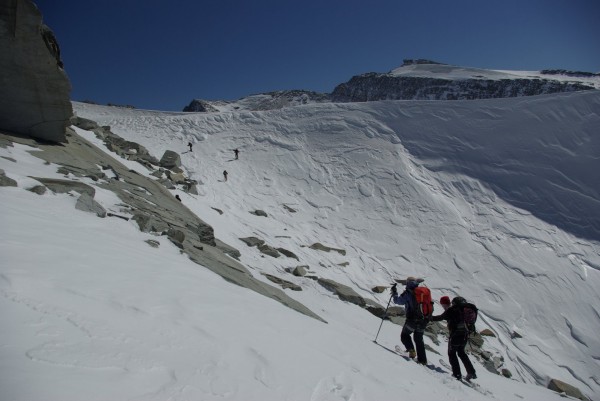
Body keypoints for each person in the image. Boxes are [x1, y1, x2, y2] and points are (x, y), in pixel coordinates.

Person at [432, 296, 477, 381]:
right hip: (465, 335)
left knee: (452, 353)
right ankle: (471, 372)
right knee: (461, 353)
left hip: (455, 335)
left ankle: (457, 374)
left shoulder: (452, 310)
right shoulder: (466, 310)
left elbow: (440, 318)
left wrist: (429, 318)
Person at [391, 276, 428, 364]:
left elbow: (398, 301)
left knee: (404, 335)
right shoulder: (422, 292)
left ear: (408, 283)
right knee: (419, 339)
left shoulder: (408, 293)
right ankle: (423, 360)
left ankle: (411, 351)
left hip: (412, 320)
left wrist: (394, 293)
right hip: (423, 321)